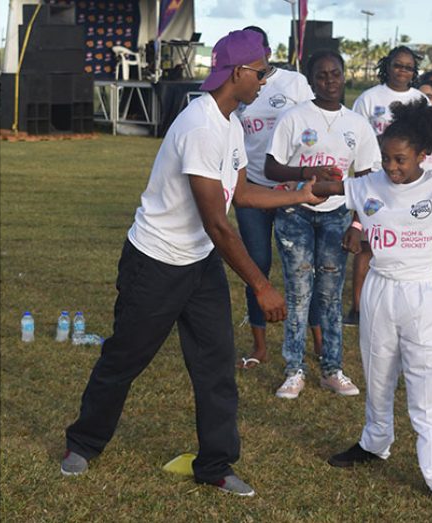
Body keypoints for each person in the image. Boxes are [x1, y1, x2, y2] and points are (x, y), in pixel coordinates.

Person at [60, 30, 325, 497]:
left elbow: (239, 194)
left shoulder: (232, 123)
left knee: (216, 365)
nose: (264, 81)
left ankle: (215, 465)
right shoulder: (200, 126)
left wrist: (300, 193)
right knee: (125, 357)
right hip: (156, 261)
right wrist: (262, 286)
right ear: (238, 73)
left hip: (199, 264)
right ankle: (83, 443)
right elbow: (218, 225)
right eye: (261, 72)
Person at [315, 92, 432, 511]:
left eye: (400, 159)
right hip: (380, 288)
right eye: (386, 159)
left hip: (422, 294)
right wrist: (321, 178)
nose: (392, 167)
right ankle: (374, 442)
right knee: (377, 373)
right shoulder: (370, 184)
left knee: (430, 384)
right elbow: (333, 188)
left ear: (421, 154)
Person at [265, 50, 381, 399]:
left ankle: (332, 369)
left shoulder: (358, 125)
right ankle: (294, 370)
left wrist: (357, 226)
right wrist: (307, 174)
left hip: (336, 215)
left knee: (330, 295)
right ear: (311, 80)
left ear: (344, 76)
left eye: (335, 74)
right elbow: (271, 168)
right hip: (294, 211)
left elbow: (367, 181)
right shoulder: (294, 118)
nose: (329, 81)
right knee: (299, 292)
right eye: (321, 76)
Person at [233, 25, 320, 370]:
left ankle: (318, 341)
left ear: (268, 50)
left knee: (302, 268)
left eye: (257, 49)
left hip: (291, 191)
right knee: (256, 265)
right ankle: (259, 347)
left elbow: (312, 124)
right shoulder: (241, 85)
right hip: (253, 188)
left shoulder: (294, 83)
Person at [347, 46, 427, 326]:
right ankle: (357, 309)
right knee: (369, 245)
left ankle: (400, 307)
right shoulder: (369, 98)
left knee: (403, 242)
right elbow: (354, 133)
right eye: (397, 65)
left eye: (408, 67)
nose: (402, 71)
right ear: (387, 66)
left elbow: (426, 136)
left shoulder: (419, 99)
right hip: (375, 180)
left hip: (407, 183)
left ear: (413, 72)